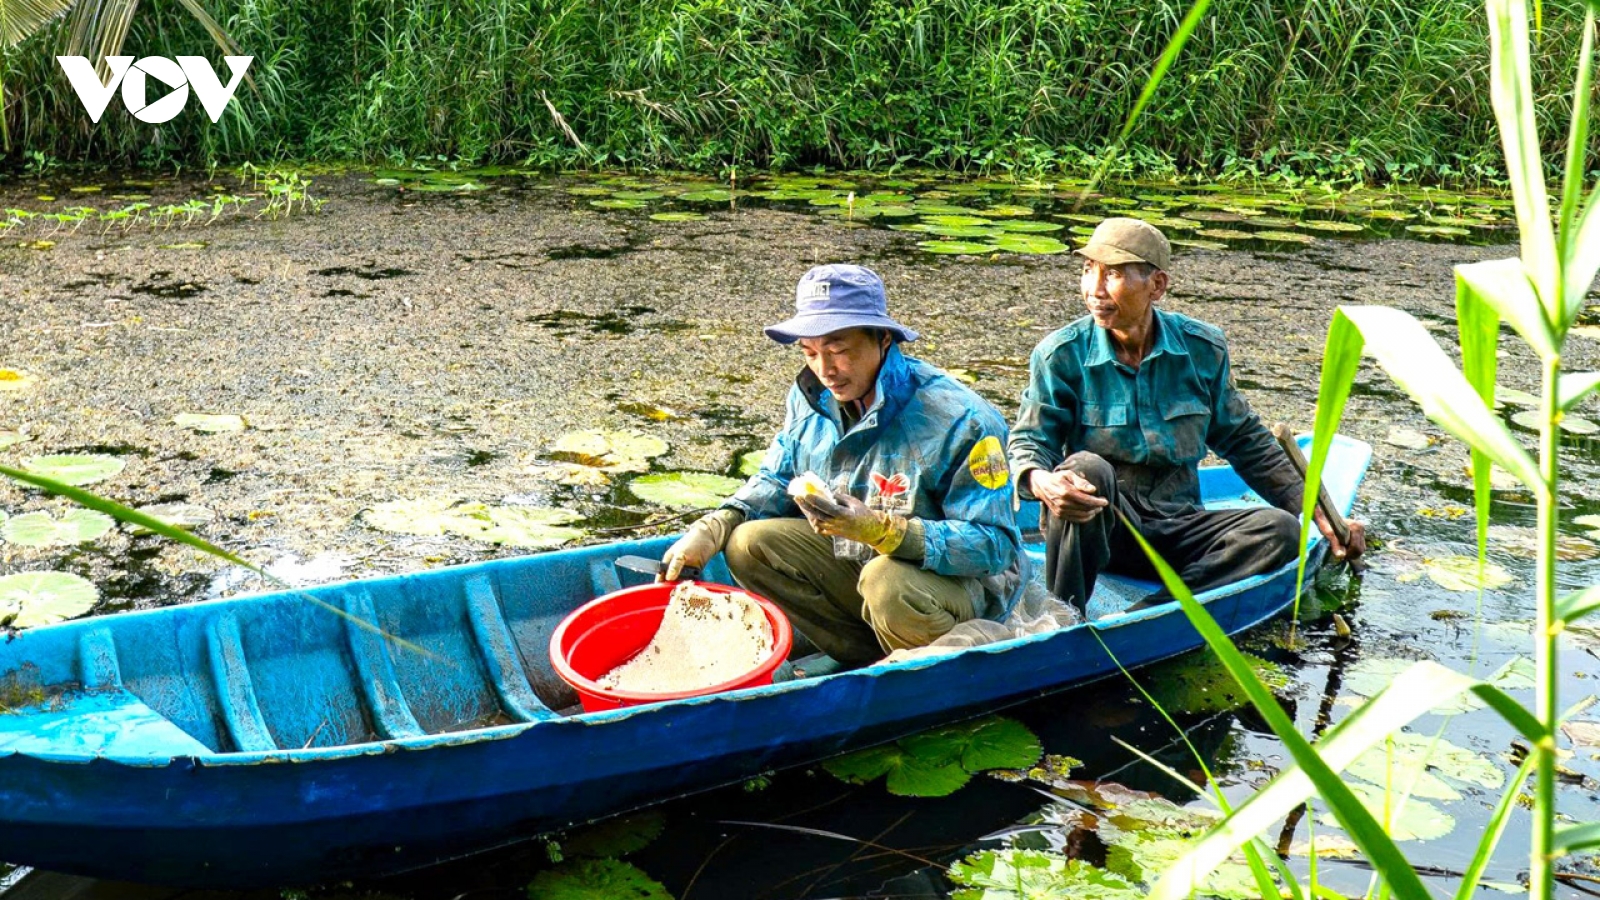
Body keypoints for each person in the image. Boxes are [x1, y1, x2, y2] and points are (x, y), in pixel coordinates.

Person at [659, 264, 1025, 667]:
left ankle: (929, 675)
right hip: (860, 565)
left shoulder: (965, 419)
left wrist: (887, 532)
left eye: (838, 350)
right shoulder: (810, 397)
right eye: (810, 352)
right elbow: (777, 477)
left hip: (955, 589)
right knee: (748, 544)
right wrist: (714, 526)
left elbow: (995, 546)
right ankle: (867, 662)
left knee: (888, 582)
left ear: (883, 338)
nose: (825, 370)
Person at [1008, 218, 1364, 615]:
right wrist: (1041, 481)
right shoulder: (1061, 354)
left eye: (1113, 275)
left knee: (1279, 531)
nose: (1094, 289)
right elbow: (1029, 441)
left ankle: (1148, 613)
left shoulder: (1201, 349)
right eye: (1088, 270)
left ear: (1156, 286)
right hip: (1104, 531)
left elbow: (1244, 439)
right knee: (1086, 470)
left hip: (1181, 528)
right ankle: (1063, 615)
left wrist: (1320, 512)